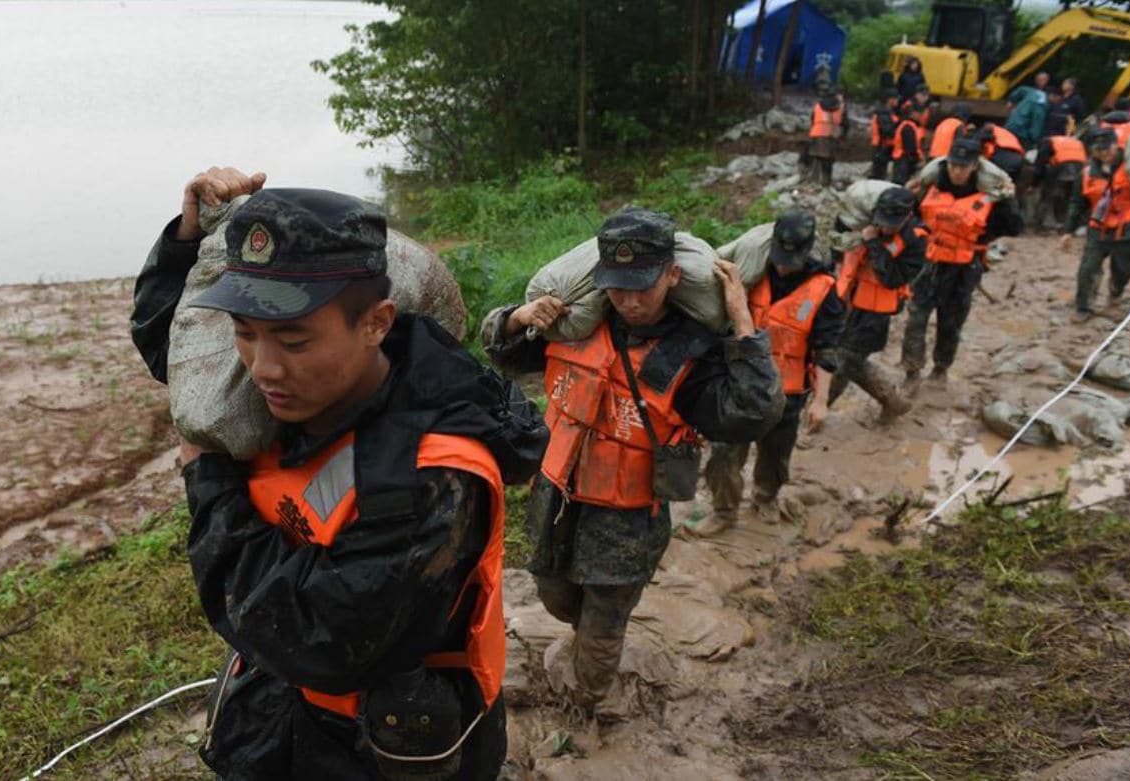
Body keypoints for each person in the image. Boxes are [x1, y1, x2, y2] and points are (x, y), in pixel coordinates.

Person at [130, 168, 549, 780]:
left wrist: (209, 481)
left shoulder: (429, 477)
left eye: (293, 341)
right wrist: (186, 242)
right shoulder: (286, 390)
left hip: (383, 743)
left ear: (376, 322)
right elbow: (174, 350)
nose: (262, 368)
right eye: (244, 333)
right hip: (286, 712)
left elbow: (309, 636)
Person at [480, 208, 783, 706]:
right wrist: (518, 317)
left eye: (643, 287)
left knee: (604, 622)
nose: (630, 301)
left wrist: (741, 320)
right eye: (618, 288)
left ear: (672, 275)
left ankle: (589, 705)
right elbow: (503, 353)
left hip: (627, 519)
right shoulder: (576, 325)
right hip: (556, 498)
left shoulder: (692, 351)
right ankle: (583, 642)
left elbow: (751, 413)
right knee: (554, 593)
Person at [698, 211, 844, 534]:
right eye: (780, 258)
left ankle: (765, 498)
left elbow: (827, 350)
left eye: (791, 261)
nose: (783, 267)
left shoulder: (823, 289)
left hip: (787, 393)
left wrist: (821, 401)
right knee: (724, 452)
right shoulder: (751, 272)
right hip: (739, 385)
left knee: (776, 454)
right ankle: (723, 511)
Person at [902, 138, 1024, 386]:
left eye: (963, 167)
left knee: (951, 322)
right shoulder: (932, 184)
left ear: (974, 167)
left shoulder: (990, 194)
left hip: (963, 268)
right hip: (929, 263)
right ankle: (911, 371)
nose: (957, 171)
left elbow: (1014, 227)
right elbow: (911, 214)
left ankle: (940, 369)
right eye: (953, 165)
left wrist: (1008, 201)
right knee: (916, 318)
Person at [829, 187, 927, 421]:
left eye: (892, 224)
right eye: (882, 222)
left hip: (875, 315)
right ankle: (893, 402)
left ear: (907, 216)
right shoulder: (865, 223)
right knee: (847, 360)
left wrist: (873, 243)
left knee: (845, 361)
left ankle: (818, 412)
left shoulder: (916, 241)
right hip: (848, 303)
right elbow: (840, 254)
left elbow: (892, 278)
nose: (886, 228)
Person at [1061, 127, 1130, 319]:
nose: (1103, 154)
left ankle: (1115, 292)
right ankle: (1084, 307)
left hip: (1127, 227)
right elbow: (1077, 203)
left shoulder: (1129, 167)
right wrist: (1068, 231)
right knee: (1088, 268)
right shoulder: (1086, 174)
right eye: (1098, 150)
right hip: (1098, 226)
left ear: (1116, 146)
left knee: (1123, 269)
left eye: (1107, 149)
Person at [1031, 132, 1087, 230]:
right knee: (1073, 197)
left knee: (1050, 195)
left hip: (1061, 166)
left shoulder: (1046, 141)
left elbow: (1040, 164)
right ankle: (1072, 224)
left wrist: (1034, 183)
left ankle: (1041, 223)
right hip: (1080, 168)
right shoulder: (1075, 141)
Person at [807, 92, 845, 187]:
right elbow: (843, 123)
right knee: (828, 160)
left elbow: (812, 119)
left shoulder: (818, 105)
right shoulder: (839, 107)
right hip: (829, 134)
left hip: (816, 133)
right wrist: (842, 136)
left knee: (817, 158)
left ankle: (813, 180)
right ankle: (826, 182)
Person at [892, 102, 926, 185]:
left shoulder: (906, 124)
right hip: (903, 161)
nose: (921, 116)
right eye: (920, 113)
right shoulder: (908, 127)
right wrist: (916, 160)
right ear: (913, 113)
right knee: (901, 185)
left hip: (901, 160)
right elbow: (910, 148)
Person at [870, 88, 900, 180]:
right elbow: (887, 131)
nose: (898, 101)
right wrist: (899, 129)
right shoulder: (883, 113)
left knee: (879, 173)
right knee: (879, 175)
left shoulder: (886, 112)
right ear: (890, 99)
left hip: (883, 147)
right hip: (882, 147)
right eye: (896, 98)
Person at [1005, 85, 1048, 149]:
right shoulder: (1041, 104)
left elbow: (1021, 89)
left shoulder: (1034, 92)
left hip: (1010, 125)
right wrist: (1034, 140)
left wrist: (1011, 100)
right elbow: (1036, 124)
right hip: (1020, 133)